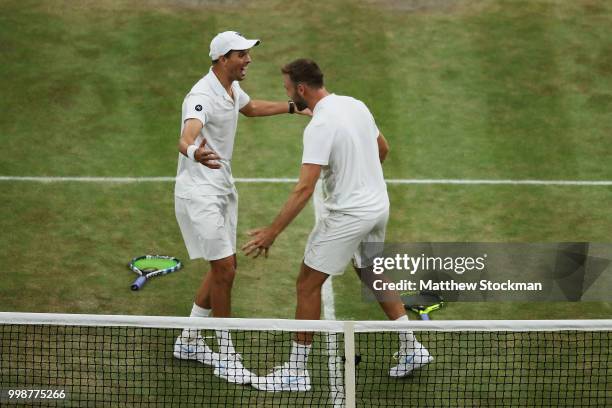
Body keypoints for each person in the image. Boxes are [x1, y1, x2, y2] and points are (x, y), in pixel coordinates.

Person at [242, 59, 432, 392]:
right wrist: (359, 177)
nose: (287, 94)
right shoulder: (354, 105)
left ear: (301, 89)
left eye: (288, 89)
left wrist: (271, 233)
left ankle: (296, 371)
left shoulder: (319, 125)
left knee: (306, 284)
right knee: (371, 272)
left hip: (349, 215)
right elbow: (382, 149)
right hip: (377, 207)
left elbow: (304, 188)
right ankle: (412, 348)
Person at [172, 31, 310, 385]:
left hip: (221, 187)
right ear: (222, 59)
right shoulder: (201, 95)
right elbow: (187, 135)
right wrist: (193, 152)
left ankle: (189, 340)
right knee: (226, 270)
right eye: (241, 55)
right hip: (200, 192)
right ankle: (227, 356)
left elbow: (249, 108)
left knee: (223, 267)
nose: (248, 59)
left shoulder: (230, 90)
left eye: (248, 54)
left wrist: (293, 107)